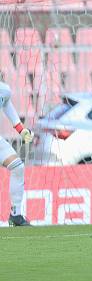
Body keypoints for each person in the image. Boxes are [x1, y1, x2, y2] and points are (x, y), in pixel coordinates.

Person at [1, 81, 34, 226]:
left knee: (18, 167)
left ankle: (16, 215)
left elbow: (6, 103)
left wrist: (20, 129)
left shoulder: (3, 89)